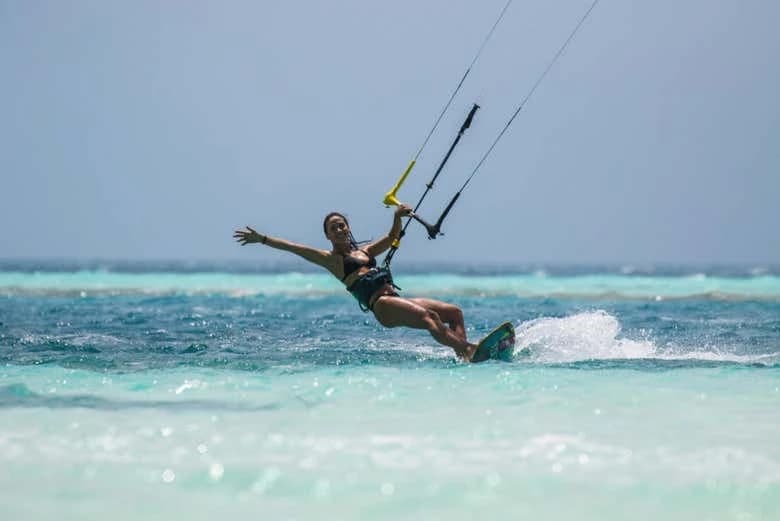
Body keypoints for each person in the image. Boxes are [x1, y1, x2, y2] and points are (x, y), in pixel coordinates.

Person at [233, 205, 480, 361]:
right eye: (333, 228)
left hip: (395, 299)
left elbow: (393, 236)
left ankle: (464, 356)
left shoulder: (366, 251)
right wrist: (262, 239)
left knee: (453, 313)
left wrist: (397, 216)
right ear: (328, 236)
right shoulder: (331, 260)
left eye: (341, 225)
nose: (339, 229)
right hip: (382, 306)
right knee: (430, 318)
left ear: (348, 228)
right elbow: (294, 248)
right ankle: (469, 349)